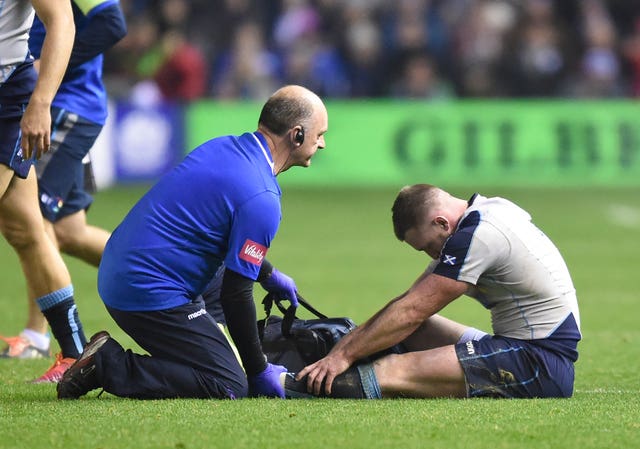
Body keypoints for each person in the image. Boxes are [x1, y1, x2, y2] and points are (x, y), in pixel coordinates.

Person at [56, 84, 329, 400]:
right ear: (296, 135)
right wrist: (257, 372)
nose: (321, 144)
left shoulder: (225, 147)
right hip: (144, 289)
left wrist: (267, 275)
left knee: (225, 319)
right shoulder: (262, 197)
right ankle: (107, 363)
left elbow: (220, 236)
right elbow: (236, 294)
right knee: (230, 384)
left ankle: (201, 346)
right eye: (318, 134)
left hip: (124, 265)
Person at [286, 184, 581, 399]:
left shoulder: (480, 236)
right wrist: (350, 343)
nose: (430, 255)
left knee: (391, 370)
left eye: (428, 246)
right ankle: (320, 362)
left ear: (441, 222)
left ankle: (287, 383)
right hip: (515, 345)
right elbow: (406, 303)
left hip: (540, 362)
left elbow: (414, 310)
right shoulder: (484, 214)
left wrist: (343, 356)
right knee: (408, 330)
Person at [0, 0, 127, 371]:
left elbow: (108, 22)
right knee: (37, 229)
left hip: (51, 103)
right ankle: (73, 354)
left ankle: (36, 337)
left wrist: (42, 95)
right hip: (45, 99)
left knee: (44, 226)